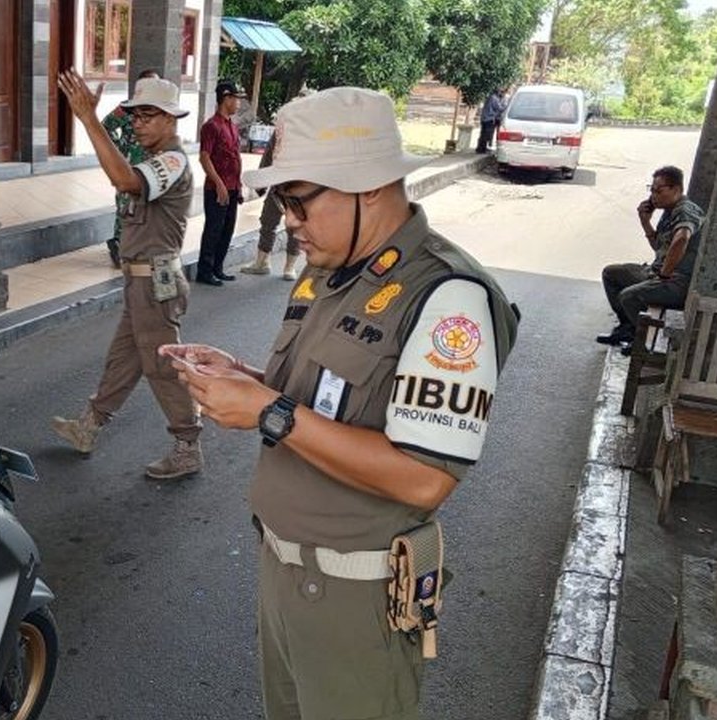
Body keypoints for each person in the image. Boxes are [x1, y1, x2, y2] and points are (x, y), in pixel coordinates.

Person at [160, 87, 520, 720]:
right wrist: (243, 378)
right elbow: (315, 401)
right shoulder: (329, 269)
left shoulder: (448, 300)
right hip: (282, 570)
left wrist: (268, 413)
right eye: (282, 201)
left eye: (298, 200)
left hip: (357, 593)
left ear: (371, 188)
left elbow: (425, 478)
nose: (288, 220)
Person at [50, 70, 203, 480]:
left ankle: (187, 445)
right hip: (142, 283)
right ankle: (89, 426)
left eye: (147, 115)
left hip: (156, 284)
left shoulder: (171, 160)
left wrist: (88, 119)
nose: (137, 123)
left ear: (171, 119)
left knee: (162, 367)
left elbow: (122, 179)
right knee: (123, 360)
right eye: (134, 116)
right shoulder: (154, 160)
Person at [597, 166, 704, 354]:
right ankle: (628, 329)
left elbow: (682, 238)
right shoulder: (668, 211)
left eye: (659, 190)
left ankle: (644, 345)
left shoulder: (685, 211)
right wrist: (645, 221)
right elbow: (659, 248)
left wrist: (664, 275)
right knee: (611, 273)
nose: (654, 196)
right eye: (652, 190)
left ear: (676, 190)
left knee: (629, 296)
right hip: (655, 272)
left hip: (676, 281)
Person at [102, 68, 162, 269]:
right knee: (125, 207)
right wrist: (118, 151)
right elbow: (105, 127)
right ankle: (118, 245)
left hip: (151, 169)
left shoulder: (161, 111)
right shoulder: (126, 108)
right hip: (129, 168)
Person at [195, 80, 248, 286]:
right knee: (213, 229)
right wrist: (218, 183)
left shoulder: (232, 126)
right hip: (217, 189)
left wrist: (239, 186)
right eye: (236, 99)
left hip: (233, 186)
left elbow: (236, 156)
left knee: (227, 229)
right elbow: (204, 157)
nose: (238, 103)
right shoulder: (211, 126)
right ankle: (205, 270)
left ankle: (218, 267)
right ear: (226, 98)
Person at [241, 131, 302, 281]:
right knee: (267, 221)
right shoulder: (281, 131)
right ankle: (262, 262)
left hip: (299, 188)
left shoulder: (309, 132)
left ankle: (290, 267)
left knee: (294, 227)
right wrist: (261, 183)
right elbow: (268, 154)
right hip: (277, 186)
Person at [476, 88, 506, 153]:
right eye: (501, 92)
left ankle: (480, 148)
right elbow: (499, 108)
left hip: (484, 118)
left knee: (483, 134)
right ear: (498, 92)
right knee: (486, 134)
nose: (501, 94)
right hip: (489, 118)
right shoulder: (494, 98)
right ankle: (482, 149)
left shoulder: (490, 97)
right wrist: (506, 107)